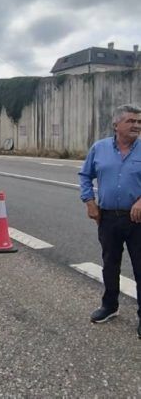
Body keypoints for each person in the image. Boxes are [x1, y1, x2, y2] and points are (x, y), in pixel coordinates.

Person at [79, 104, 141, 338]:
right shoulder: (100, 148)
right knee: (110, 263)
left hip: (137, 219)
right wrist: (89, 201)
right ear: (116, 125)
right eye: (131, 121)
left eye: (139, 122)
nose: (136, 125)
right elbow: (85, 175)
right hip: (108, 218)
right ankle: (109, 306)